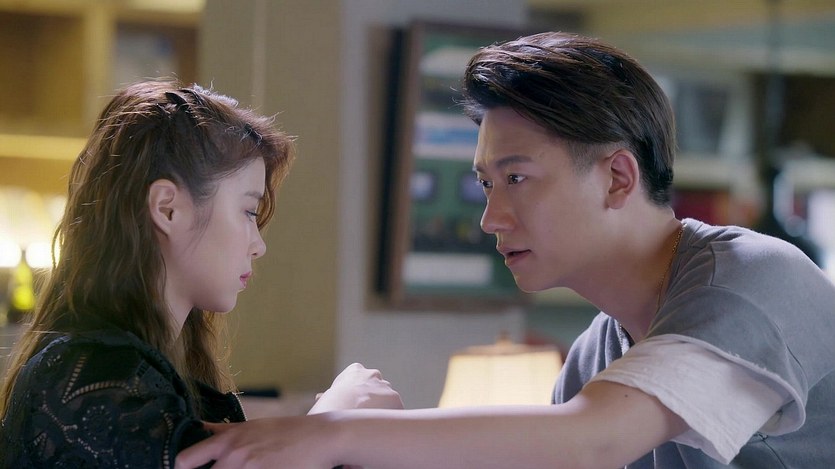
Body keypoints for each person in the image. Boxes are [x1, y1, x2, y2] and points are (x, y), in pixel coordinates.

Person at [175, 32, 835, 469]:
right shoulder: (598, 355)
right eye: (487, 185)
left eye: (516, 178)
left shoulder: (753, 279)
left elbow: (594, 439)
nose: (491, 218)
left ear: (616, 177)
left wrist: (330, 432)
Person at [0, 80, 402, 468]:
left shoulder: (142, 375)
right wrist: (333, 423)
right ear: (167, 209)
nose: (258, 245)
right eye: (249, 211)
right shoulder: (89, 377)